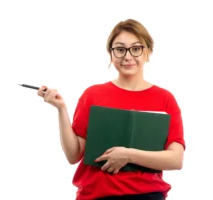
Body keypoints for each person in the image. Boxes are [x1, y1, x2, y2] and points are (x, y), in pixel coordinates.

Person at [37, 19, 185, 200]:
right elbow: (73, 155)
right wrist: (61, 109)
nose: (128, 56)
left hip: (146, 195)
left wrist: (129, 155)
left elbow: (176, 159)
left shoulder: (165, 99)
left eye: (136, 48)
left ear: (148, 52)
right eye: (120, 49)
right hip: (95, 196)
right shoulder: (93, 95)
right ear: (111, 53)